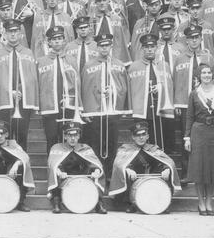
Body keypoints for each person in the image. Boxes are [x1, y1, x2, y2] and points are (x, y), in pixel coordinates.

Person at [183, 63, 214, 216]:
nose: (207, 75)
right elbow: (189, 116)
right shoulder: (194, 93)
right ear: (199, 75)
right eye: (204, 73)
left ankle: (209, 201)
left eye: (209, 72)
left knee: (211, 170)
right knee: (199, 169)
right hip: (199, 132)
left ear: (213, 75)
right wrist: (187, 138)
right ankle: (200, 203)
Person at [79, 33, 130, 166]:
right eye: (101, 46)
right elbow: (85, 88)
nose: (104, 48)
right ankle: (97, 170)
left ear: (111, 46)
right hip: (95, 111)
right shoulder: (89, 65)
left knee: (112, 142)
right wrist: (85, 111)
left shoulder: (119, 65)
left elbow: (124, 87)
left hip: (112, 111)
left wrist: (113, 91)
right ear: (97, 47)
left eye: (107, 45)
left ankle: (109, 172)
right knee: (95, 142)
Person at [107, 122, 181, 213]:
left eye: (143, 134)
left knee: (167, 171)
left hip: (151, 179)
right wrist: (127, 169)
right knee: (125, 173)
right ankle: (130, 203)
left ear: (147, 136)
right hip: (134, 179)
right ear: (133, 137)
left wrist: (166, 168)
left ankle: (162, 202)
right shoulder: (125, 148)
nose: (141, 137)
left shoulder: (153, 148)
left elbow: (167, 161)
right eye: (138, 135)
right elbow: (118, 163)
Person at [0, 19, 38, 146]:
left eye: (16, 31)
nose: (13, 34)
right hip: (4, 101)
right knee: (3, 135)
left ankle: (21, 164)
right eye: (10, 32)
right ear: (5, 34)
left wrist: (19, 90)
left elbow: (31, 78)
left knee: (22, 135)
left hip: (22, 100)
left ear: (21, 34)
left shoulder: (28, 53)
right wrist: (9, 91)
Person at [127, 33, 177, 157]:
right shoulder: (134, 66)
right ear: (142, 49)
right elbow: (130, 89)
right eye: (146, 47)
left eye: (152, 47)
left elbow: (170, 87)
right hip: (142, 110)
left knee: (160, 140)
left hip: (160, 109)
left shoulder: (164, 65)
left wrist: (160, 88)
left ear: (156, 48)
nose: (149, 49)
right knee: (142, 141)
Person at [37, 26, 81, 152]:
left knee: (68, 139)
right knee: (51, 139)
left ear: (64, 41)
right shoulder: (41, 61)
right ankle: (52, 168)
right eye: (54, 39)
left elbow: (78, 83)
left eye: (60, 38)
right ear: (49, 42)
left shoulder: (71, 60)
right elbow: (38, 84)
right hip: (49, 106)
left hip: (69, 106)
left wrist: (79, 106)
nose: (57, 41)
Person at [46, 123, 106, 214]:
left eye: (75, 135)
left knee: (97, 177)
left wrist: (96, 171)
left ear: (79, 136)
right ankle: (56, 203)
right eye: (70, 136)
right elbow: (53, 164)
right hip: (65, 178)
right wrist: (59, 172)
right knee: (54, 174)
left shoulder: (85, 148)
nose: (73, 138)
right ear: (65, 136)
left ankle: (98, 203)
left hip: (84, 177)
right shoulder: (57, 147)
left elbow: (94, 163)